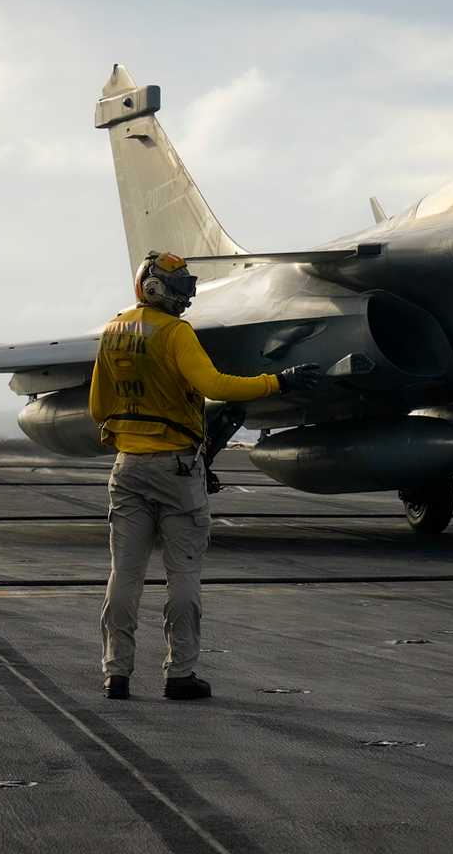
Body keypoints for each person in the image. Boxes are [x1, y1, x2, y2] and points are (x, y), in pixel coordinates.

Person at [91, 251, 322, 701]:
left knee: (124, 575)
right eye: (178, 286)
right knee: (183, 576)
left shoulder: (113, 330)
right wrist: (280, 382)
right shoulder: (175, 334)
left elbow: (99, 407)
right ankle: (180, 674)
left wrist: (129, 438)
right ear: (154, 288)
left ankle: (115, 673)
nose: (186, 295)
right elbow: (215, 386)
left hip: (127, 469)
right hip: (176, 469)